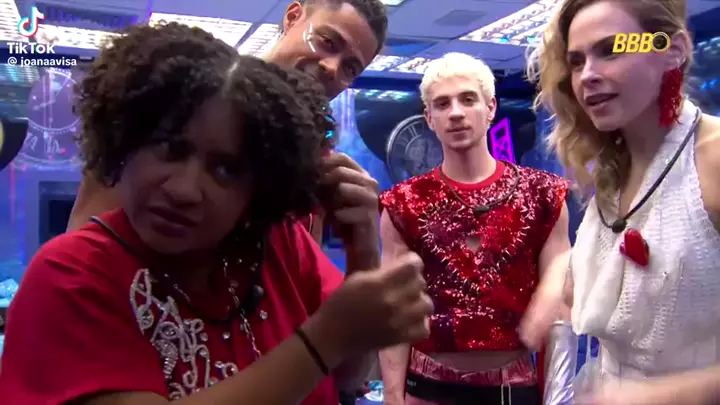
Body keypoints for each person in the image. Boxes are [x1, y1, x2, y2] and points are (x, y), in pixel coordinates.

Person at [0, 23, 433, 405]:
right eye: (169, 148)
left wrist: (361, 249)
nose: (185, 190)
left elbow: (350, 377)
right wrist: (325, 337)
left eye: (226, 169)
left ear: (258, 187)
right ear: (124, 140)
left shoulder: (278, 244)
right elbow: (331, 347)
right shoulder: (69, 275)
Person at [526, 1, 720, 404]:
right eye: (576, 62)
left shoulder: (712, 158)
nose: (587, 75)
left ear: (673, 50)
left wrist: (662, 395)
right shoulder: (611, 173)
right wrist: (562, 275)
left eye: (611, 50)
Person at [66, 0, 388, 244]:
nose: (332, 68)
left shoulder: (314, 156)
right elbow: (85, 244)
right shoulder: (185, 92)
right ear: (293, 17)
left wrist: (362, 249)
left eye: (350, 68)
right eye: (328, 42)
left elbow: (301, 281)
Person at [377, 52, 572, 405]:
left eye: (468, 99)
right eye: (442, 104)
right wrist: (392, 397)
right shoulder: (403, 204)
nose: (455, 113)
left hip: (513, 389)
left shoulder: (542, 195)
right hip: (427, 389)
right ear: (429, 118)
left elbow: (560, 300)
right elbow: (394, 312)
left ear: (490, 107)